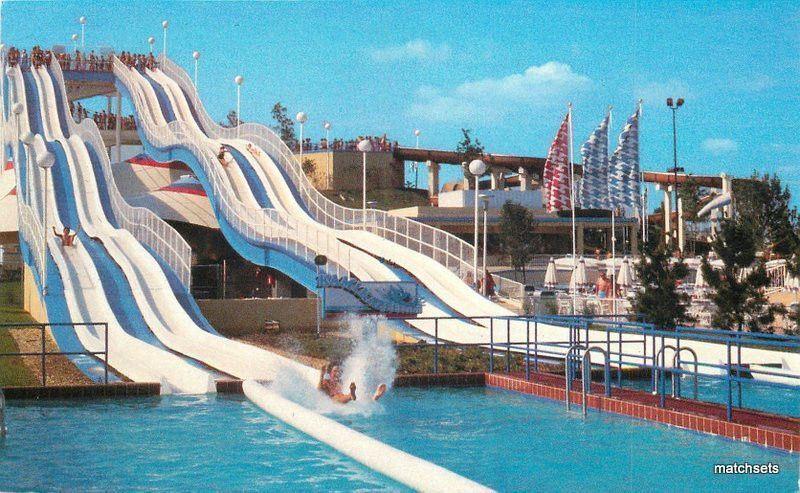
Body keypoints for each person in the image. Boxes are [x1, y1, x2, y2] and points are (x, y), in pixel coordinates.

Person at [318, 363, 387, 404]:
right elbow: (319, 389)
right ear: (330, 372)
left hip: (344, 398)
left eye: (338, 371)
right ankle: (351, 394)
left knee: (359, 396)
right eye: (335, 371)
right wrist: (321, 375)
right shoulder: (326, 381)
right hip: (333, 400)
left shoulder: (340, 383)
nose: (337, 373)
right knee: (337, 397)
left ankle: (374, 397)